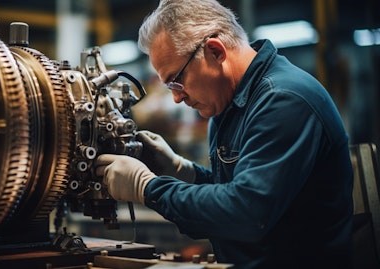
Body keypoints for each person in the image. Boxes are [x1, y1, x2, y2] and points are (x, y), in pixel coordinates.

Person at [94, 0, 354, 268]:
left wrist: (146, 187)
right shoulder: (228, 105)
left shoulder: (284, 101)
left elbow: (246, 214)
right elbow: (229, 193)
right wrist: (182, 171)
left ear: (215, 51)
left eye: (176, 80)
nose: (176, 97)